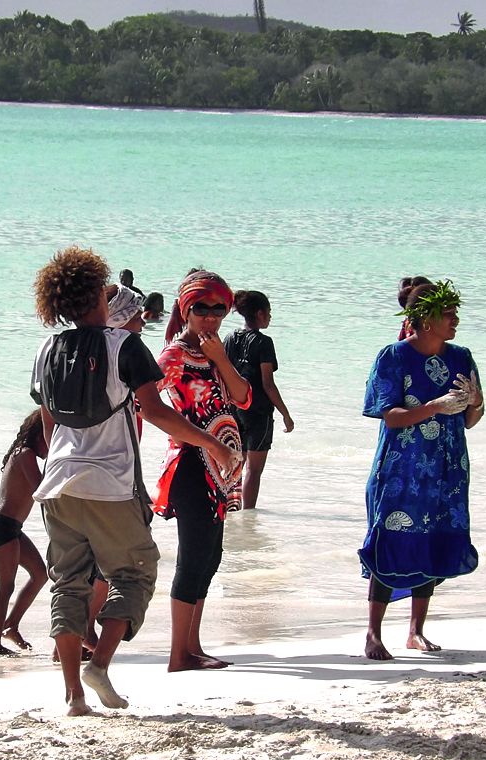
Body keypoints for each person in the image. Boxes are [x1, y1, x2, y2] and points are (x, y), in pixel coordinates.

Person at [30, 247, 237, 715]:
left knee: (67, 584)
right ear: (97, 296)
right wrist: (212, 443)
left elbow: (48, 424)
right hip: (110, 484)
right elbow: (158, 412)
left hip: (56, 484)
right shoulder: (124, 346)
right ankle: (99, 663)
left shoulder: (47, 348)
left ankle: (73, 695)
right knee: (136, 572)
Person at [360, 279, 483, 658]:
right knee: (390, 540)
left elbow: (471, 419)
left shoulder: (461, 356)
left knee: (432, 539)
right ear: (424, 319)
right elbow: (391, 416)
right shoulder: (393, 357)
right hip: (401, 469)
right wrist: (434, 406)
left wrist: (476, 401)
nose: (455, 320)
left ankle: (416, 631)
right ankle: (373, 633)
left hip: (447, 466)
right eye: (448, 314)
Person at [153, 270, 251, 671]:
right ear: (185, 310)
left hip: (221, 472)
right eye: (201, 309)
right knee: (192, 558)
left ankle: (192, 646)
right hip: (192, 467)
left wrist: (221, 360)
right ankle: (178, 653)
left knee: (211, 556)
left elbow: (243, 398)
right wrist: (200, 440)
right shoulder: (174, 355)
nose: (210, 317)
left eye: (218, 309)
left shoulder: (216, 352)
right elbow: (146, 403)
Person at [223, 290, 295, 510]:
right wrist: (285, 413)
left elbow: (223, 373)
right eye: (269, 312)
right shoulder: (264, 342)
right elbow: (268, 384)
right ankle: (248, 515)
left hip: (234, 410)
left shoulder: (229, 338)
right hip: (259, 412)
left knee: (235, 464)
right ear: (260, 313)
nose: (270, 317)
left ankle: (229, 509)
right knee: (254, 470)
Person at [0, 410, 48, 656]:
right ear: (38, 435)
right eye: (48, 438)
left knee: (40, 574)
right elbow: (40, 489)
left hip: (12, 528)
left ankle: (11, 625)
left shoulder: (24, 453)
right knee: (6, 586)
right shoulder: (25, 454)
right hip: (1, 526)